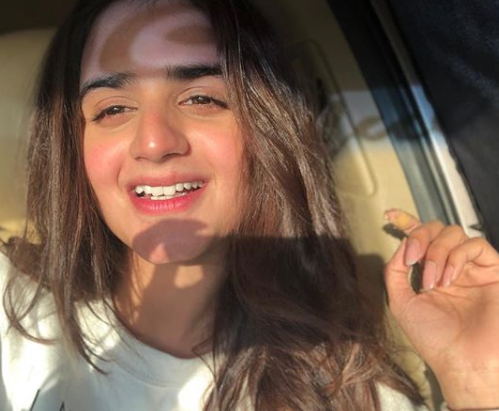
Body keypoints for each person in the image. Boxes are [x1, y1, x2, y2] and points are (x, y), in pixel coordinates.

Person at [0, 0, 498, 410]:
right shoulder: (11, 306)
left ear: (267, 134)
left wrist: (475, 385)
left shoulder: (346, 393)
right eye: (112, 109)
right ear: (75, 151)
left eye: (202, 99)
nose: (154, 143)